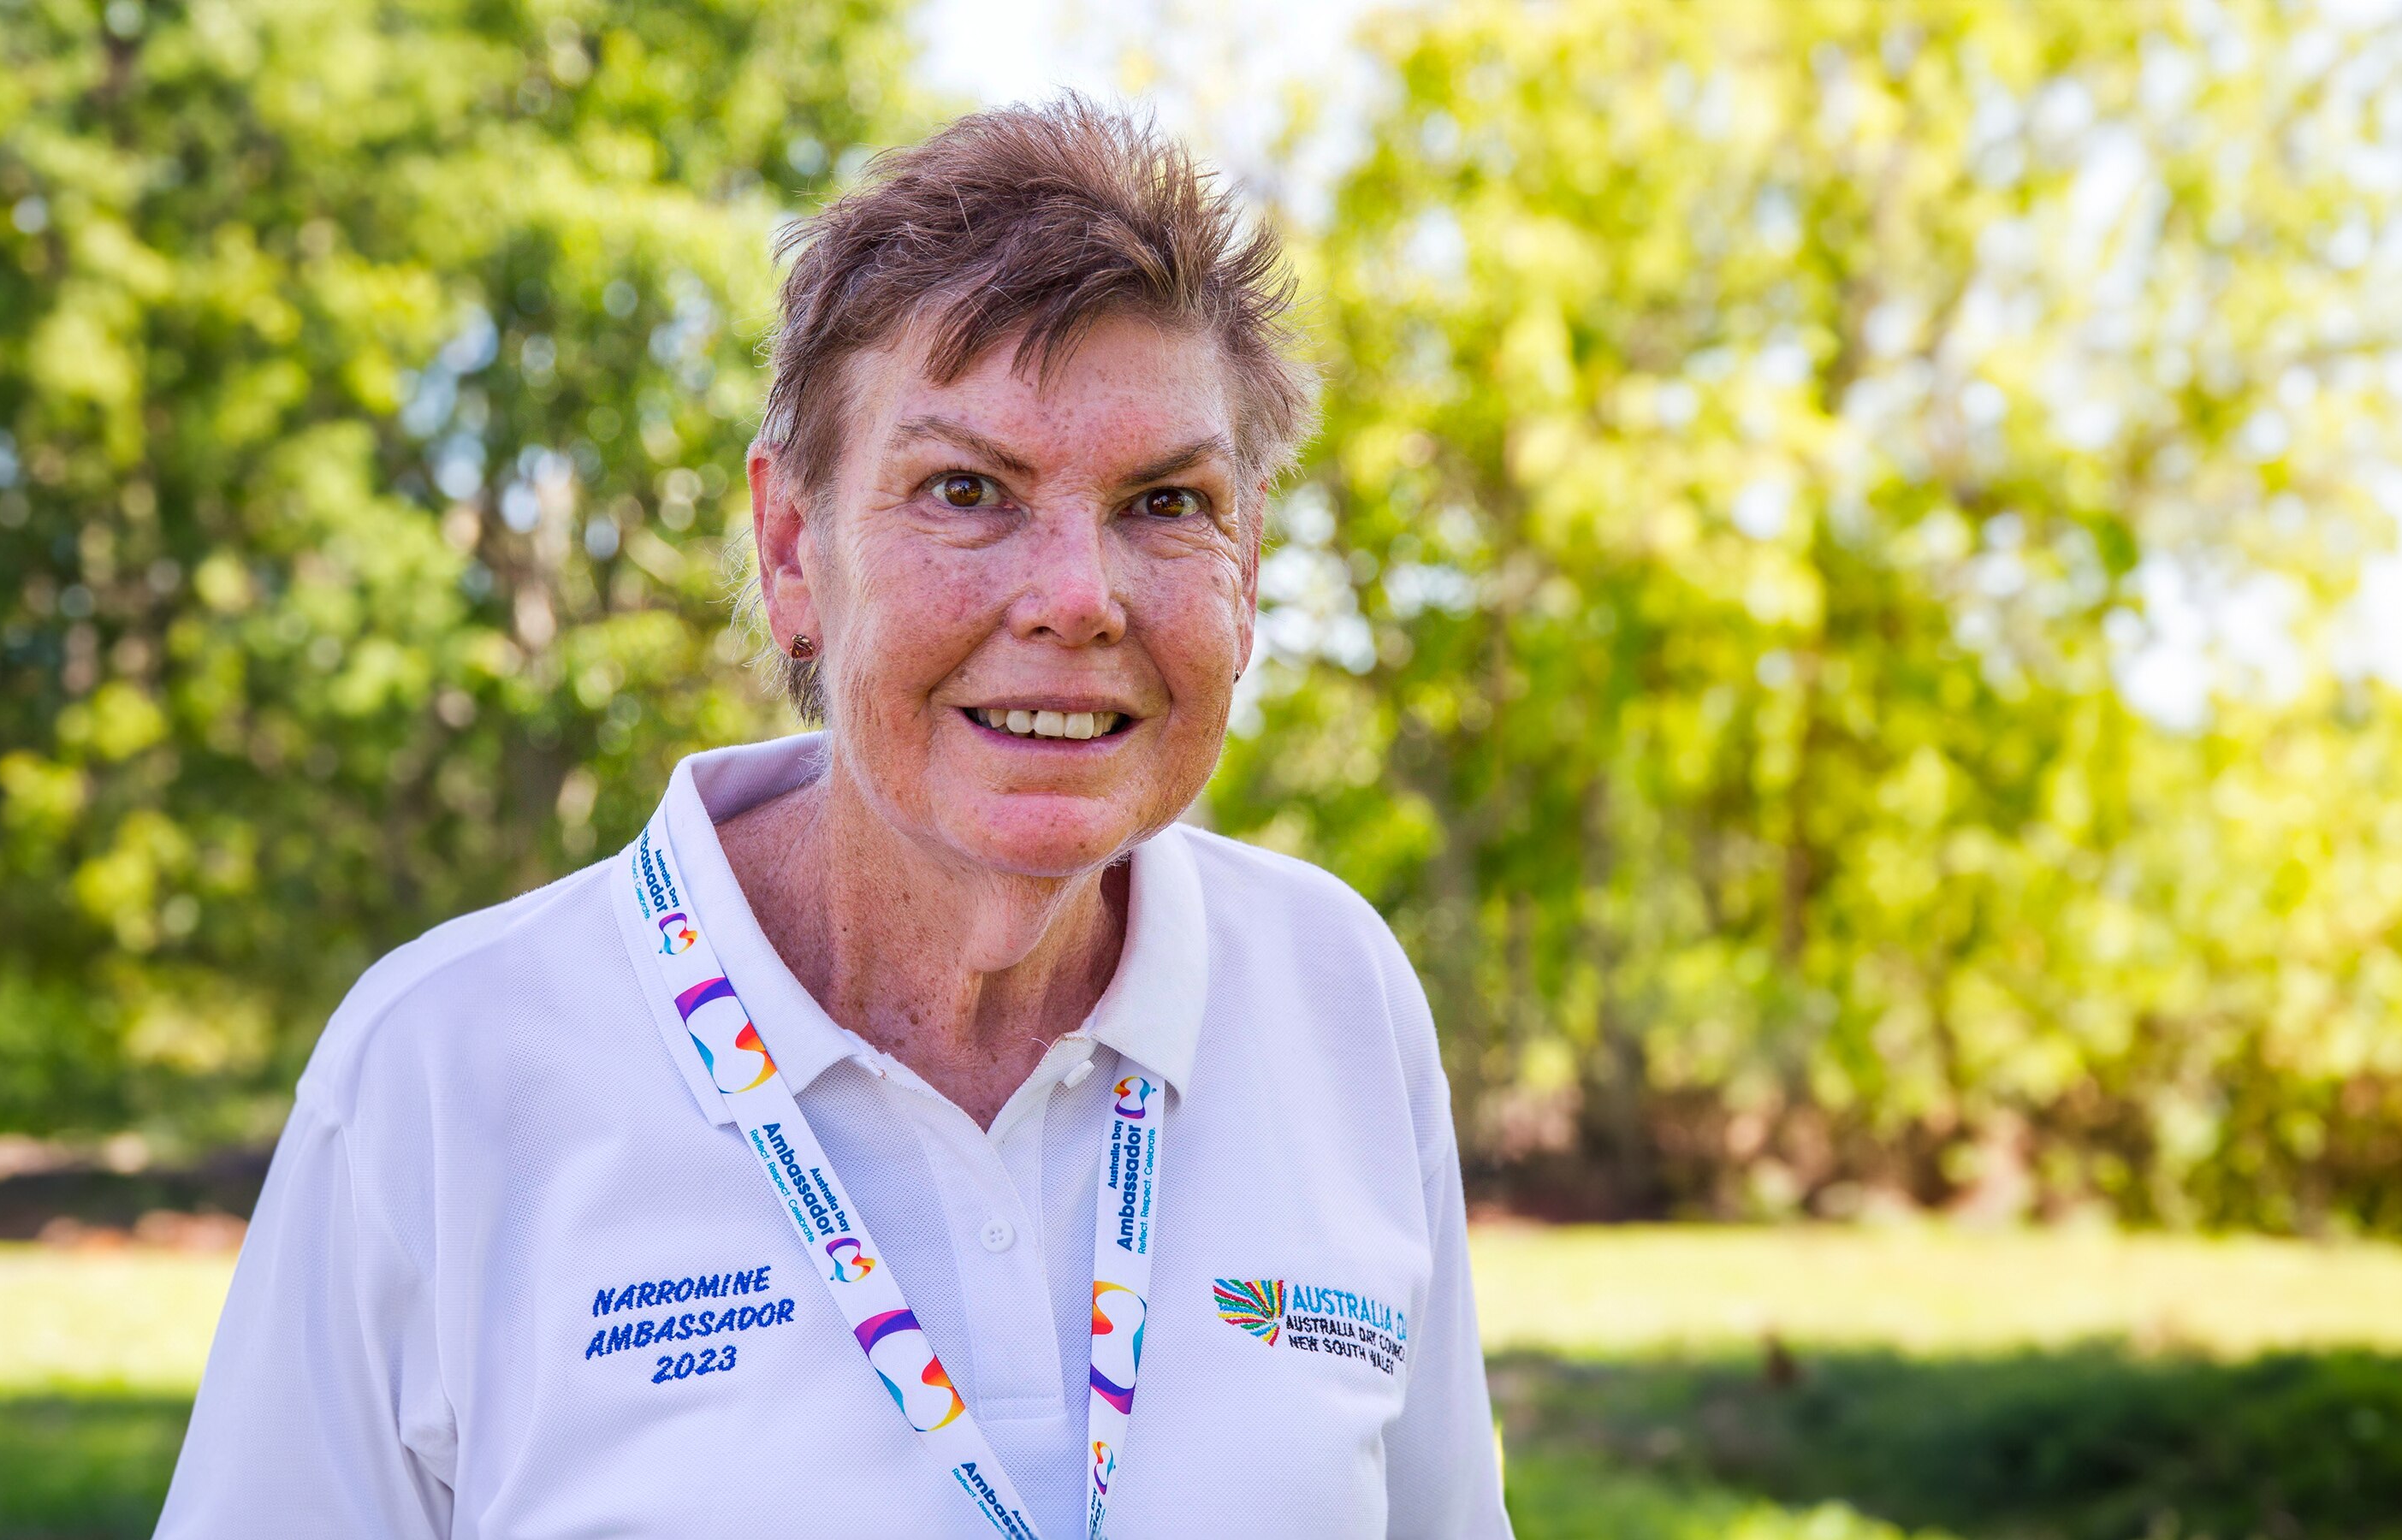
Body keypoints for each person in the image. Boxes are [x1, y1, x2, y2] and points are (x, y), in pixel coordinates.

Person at [156, 97, 1509, 1540]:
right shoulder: (443, 1068)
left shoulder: (1335, 994)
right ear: (795, 550)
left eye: (1166, 502)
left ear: (1245, 573)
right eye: (968, 490)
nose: (1077, 595)